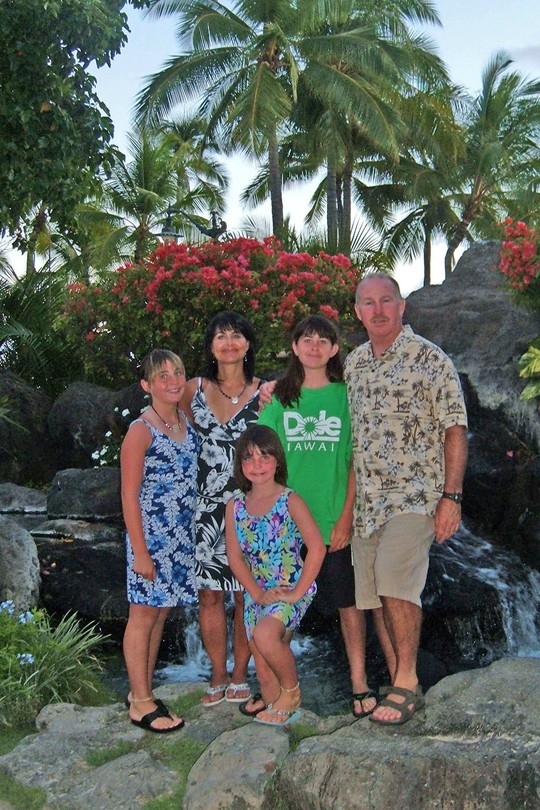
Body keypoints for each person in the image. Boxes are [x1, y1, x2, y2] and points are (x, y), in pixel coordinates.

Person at [344, 273, 468, 726]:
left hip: (416, 496)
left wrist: (451, 497)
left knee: (396, 580)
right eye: (368, 302)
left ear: (402, 307)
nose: (378, 310)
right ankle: (402, 680)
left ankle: (405, 680)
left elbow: (455, 428)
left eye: (386, 301)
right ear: (358, 312)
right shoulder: (354, 364)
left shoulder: (430, 358)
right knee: (376, 593)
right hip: (366, 503)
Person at [255, 314, 378, 720]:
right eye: (306, 339)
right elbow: (262, 454)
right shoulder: (279, 397)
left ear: (334, 349)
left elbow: (355, 461)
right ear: (294, 347)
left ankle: (359, 682)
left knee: (348, 604)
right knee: (284, 604)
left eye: (323, 340)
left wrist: (346, 517)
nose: (314, 346)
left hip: (332, 519)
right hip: (288, 526)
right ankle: (279, 687)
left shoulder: (347, 395)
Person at [179, 312, 261, 706]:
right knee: (210, 595)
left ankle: (241, 673)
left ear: (248, 344)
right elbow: (170, 429)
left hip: (250, 508)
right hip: (205, 509)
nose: (229, 342)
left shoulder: (266, 392)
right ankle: (217, 674)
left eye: (236, 335)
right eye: (220, 336)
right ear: (211, 346)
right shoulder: (191, 389)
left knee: (246, 595)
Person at [225, 424, 326, 725]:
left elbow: (317, 548)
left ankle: (292, 693)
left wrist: (296, 593)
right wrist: (256, 594)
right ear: (240, 464)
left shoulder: (290, 500)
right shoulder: (235, 506)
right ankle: (279, 719)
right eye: (249, 458)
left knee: (266, 636)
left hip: (288, 589)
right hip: (258, 592)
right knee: (263, 666)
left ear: (277, 461)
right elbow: (235, 557)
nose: (257, 465)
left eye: (264, 457)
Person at [121, 349, 199, 733]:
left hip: (180, 539)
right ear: (146, 385)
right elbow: (128, 494)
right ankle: (140, 703)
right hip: (151, 539)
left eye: (177, 373)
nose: (172, 381)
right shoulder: (141, 430)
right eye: (162, 376)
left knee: (160, 613)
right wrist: (140, 551)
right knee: (142, 616)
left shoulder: (185, 420)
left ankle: (142, 691)